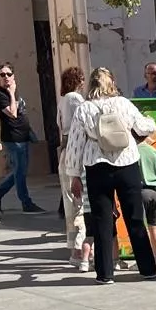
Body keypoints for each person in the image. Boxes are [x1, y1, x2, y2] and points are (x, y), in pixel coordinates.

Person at [64, 67, 156, 284]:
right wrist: (152, 123)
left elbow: (75, 145)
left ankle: (105, 273)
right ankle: (147, 269)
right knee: (135, 217)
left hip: (97, 167)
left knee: (102, 221)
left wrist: (74, 175)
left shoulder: (84, 109)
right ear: (111, 83)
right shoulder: (123, 103)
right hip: (126, 164)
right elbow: (143, 127)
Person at [0, 63, 40, 214]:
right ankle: (26, 203)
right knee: (20, 171)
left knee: (20, 171)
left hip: (23, 136)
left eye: (8, 74)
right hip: (13, 139)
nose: (6, 77)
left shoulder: (15, 92)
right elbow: (12, 113)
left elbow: (22, 113)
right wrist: (12, 94)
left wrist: (30, 132)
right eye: (2, 74)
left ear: (13, 76)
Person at [57, 66, 89, 270]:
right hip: (74, 152)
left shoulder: (62, 99)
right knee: (80, 203)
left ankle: (74, 248)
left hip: (65, 152)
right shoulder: (74, 99)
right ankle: (79, 249)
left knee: (71, 204)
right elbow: (81, 123)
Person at [134, 125, 156, 266]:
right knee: (154, 226)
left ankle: (144, 261)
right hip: (155, 192)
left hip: (139, 191)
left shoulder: (133, 152)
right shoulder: (155, 152)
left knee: (140, 228)